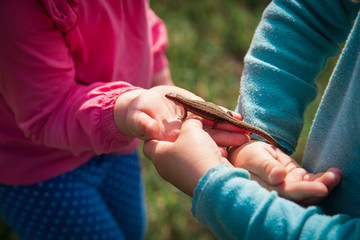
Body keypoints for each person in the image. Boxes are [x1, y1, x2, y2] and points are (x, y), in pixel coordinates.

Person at [144, 0, 360, 239]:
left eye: (174, 99)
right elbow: (306, 12)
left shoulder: (184, 109)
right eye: (175, 99)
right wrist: (261, 132)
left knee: (227, 120)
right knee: (232, 120)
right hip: (229, 123)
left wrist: (213, 179)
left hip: (220, 120)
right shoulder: (184, 106)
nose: (175, 100)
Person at [0, 1, 206, 239]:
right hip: (40, 169)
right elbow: (48, 110)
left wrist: (160, 78)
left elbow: (138, 22)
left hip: (118, 138)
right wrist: (124, 109)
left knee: (133, 229)